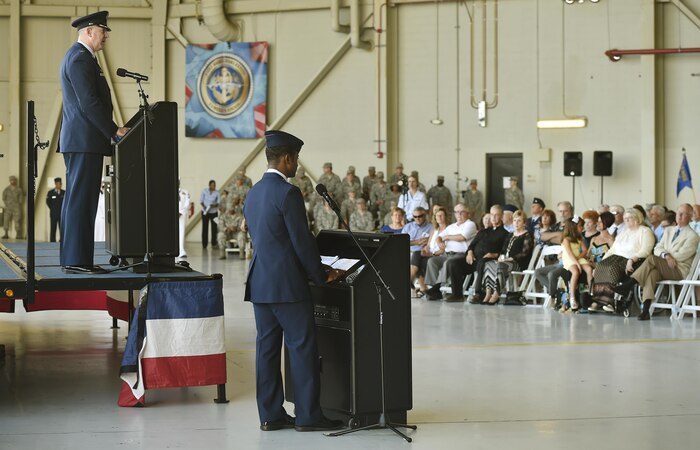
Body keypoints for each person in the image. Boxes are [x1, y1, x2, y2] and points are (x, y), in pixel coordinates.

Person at [243, 129, 343, 432]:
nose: (297, 165)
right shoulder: (288, 193)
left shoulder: (255, 192)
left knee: (267, 351)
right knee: (302, 349)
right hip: (288, 286)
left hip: (260, 283)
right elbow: (301, 243)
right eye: (296, 158)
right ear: (286, 158)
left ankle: (271, 415)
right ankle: (308, 416)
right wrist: (322, 274)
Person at [59, 11, 128, 273]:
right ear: (89, 31)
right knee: (81, 201)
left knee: (78, 200)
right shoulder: (80, 58)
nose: (106, 35)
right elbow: (89, 102)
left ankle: (73, 258)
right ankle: (76, 261)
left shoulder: (81, 57)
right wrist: (113, 131)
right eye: (103, 30)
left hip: (82, 140)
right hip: (84, 140)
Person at [613, 204, 700, 320]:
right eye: (678, 212)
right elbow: (658, 248)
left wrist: (666, 254)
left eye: (683, 214)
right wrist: (667, 255)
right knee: (652, 273)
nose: (679, 215)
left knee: (652, 259)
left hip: (679, 269)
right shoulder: (669, 230)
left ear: (690, 216)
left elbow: (681, 256)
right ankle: (645, 311)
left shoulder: (693, 235)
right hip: (666, 265)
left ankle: (629, 284)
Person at [590, 208, 655, 307]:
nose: (626, 220)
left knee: (612, 269)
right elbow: (612, 250)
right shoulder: (624, 232)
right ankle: (599, 300)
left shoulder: (645, 231)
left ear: (637, 218)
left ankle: (610, 301)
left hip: (633, 260)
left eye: (629, 218)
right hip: (616, 257)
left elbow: (646, 250)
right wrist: (599, 264)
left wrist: (633, 259)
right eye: (625, 218)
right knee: (601, 266)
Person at [447, 205, 508, 303]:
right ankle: (457, 295)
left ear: (501, 216)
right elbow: (471, 245)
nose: (493, 217)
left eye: (496, 215)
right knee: (453, 263)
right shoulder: (483, 231)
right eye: (492, 214)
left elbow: (504, 251)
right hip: (473, 260)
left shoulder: (505, 234)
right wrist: (470, 252)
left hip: (488, 261)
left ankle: (479, 294)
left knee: (483, 262)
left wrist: (494, 255)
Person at [481, 210, 534, 304]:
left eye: (519, 221)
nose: (516, 223)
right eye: (514, 220)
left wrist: (511, 258)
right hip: (506, 261)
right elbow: (503, 250)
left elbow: (524, 253)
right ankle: (488, 293)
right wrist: (501, 257)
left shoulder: (527, 235)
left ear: (524, 223)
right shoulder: (510, 235)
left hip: (519, 263)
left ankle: (496, 294)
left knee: (502, 266)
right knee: (488, 264)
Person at [414, 207, 449, 296]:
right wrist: (425, 249)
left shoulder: (449, 229)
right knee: (417, 254)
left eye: (441, 215)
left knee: (422, 261)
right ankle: (424, 287)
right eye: (437, 216)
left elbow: (444, 249)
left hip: (440, 255)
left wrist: (431, 254)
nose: (439, 217)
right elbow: (428, 245)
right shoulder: (434, 230)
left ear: (445, 217)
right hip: (431, 254)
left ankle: (428, 287)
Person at [560, 220, 593, 311]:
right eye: (580, 226)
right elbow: (569, 253)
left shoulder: (579, 238)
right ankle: (572, 297)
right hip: (569, 259)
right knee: (575, 272)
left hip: (578, 258)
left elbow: (585, 250)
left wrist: (579, 259)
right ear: (573, 228)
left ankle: (591, 291)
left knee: (589, 269)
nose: (582, 228)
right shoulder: (566, 239)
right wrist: (577, 263)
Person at [402, 206, 433, 291]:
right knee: (417, 257)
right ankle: (423, 288)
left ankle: (407, 283)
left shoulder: (431, 227)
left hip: (424, 252)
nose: (417, 218)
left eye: (420, 216)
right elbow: (401, 242)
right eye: (415, 217)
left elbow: (432, 242)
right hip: (409, 252)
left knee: (417, 254)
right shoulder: (408, 227)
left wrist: (427, 242)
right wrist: (417, 242)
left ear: (425, 215)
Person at [200, 180, 220, 249]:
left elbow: (218, 203)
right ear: (209, 185)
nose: (214, 186)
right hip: (205, 212)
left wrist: (213, 205)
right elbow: (201, 201)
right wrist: (205, 207)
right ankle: (204, 244)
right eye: (212, 185)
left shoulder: (217, 193)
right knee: (205, 227)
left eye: (214, 185)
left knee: (214, 228)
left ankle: (214, 243)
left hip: (214, 212)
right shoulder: (204, 191)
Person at [45, 177, 65, 243]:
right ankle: (52, 241)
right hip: (53, 214)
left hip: (61, 214)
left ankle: (62, 241)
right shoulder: (50, 193)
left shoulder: (64, 193)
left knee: (62, 228)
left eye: (61, 184)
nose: (60, 185)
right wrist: (53, 209)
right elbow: (48, 202)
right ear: (56, 184)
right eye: (59, 184)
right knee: (53, 228)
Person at [178, 180, 192, 259]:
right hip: (171, 215)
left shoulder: (185, 192)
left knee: (181, 232)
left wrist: (181, 212)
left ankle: (181, 251)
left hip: (182, 215)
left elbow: (187, 203)